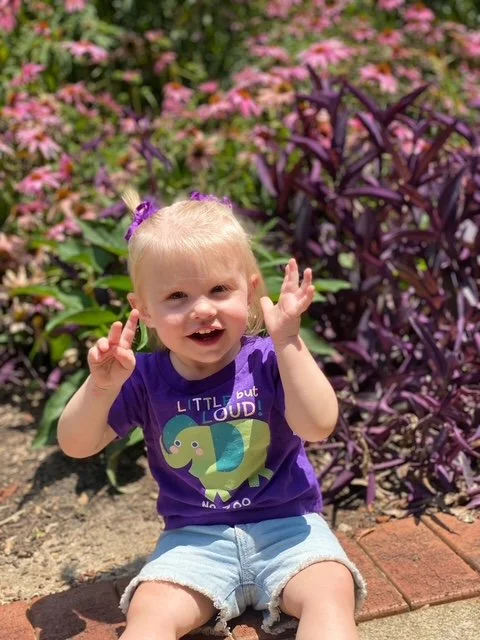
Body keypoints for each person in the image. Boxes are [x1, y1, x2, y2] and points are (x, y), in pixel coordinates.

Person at [58, 190, 366, 640]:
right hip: (195, 540)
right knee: (150, 611)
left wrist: (289, 345)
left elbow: (318, 424)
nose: (202, 309)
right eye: (177, 296)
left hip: (290, 529)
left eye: (219, 289)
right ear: (144, 310)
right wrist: (102, 387)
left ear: (251, 289)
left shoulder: (268, 360)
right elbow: (76, 443)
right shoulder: (142, 377)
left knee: (330, 592)